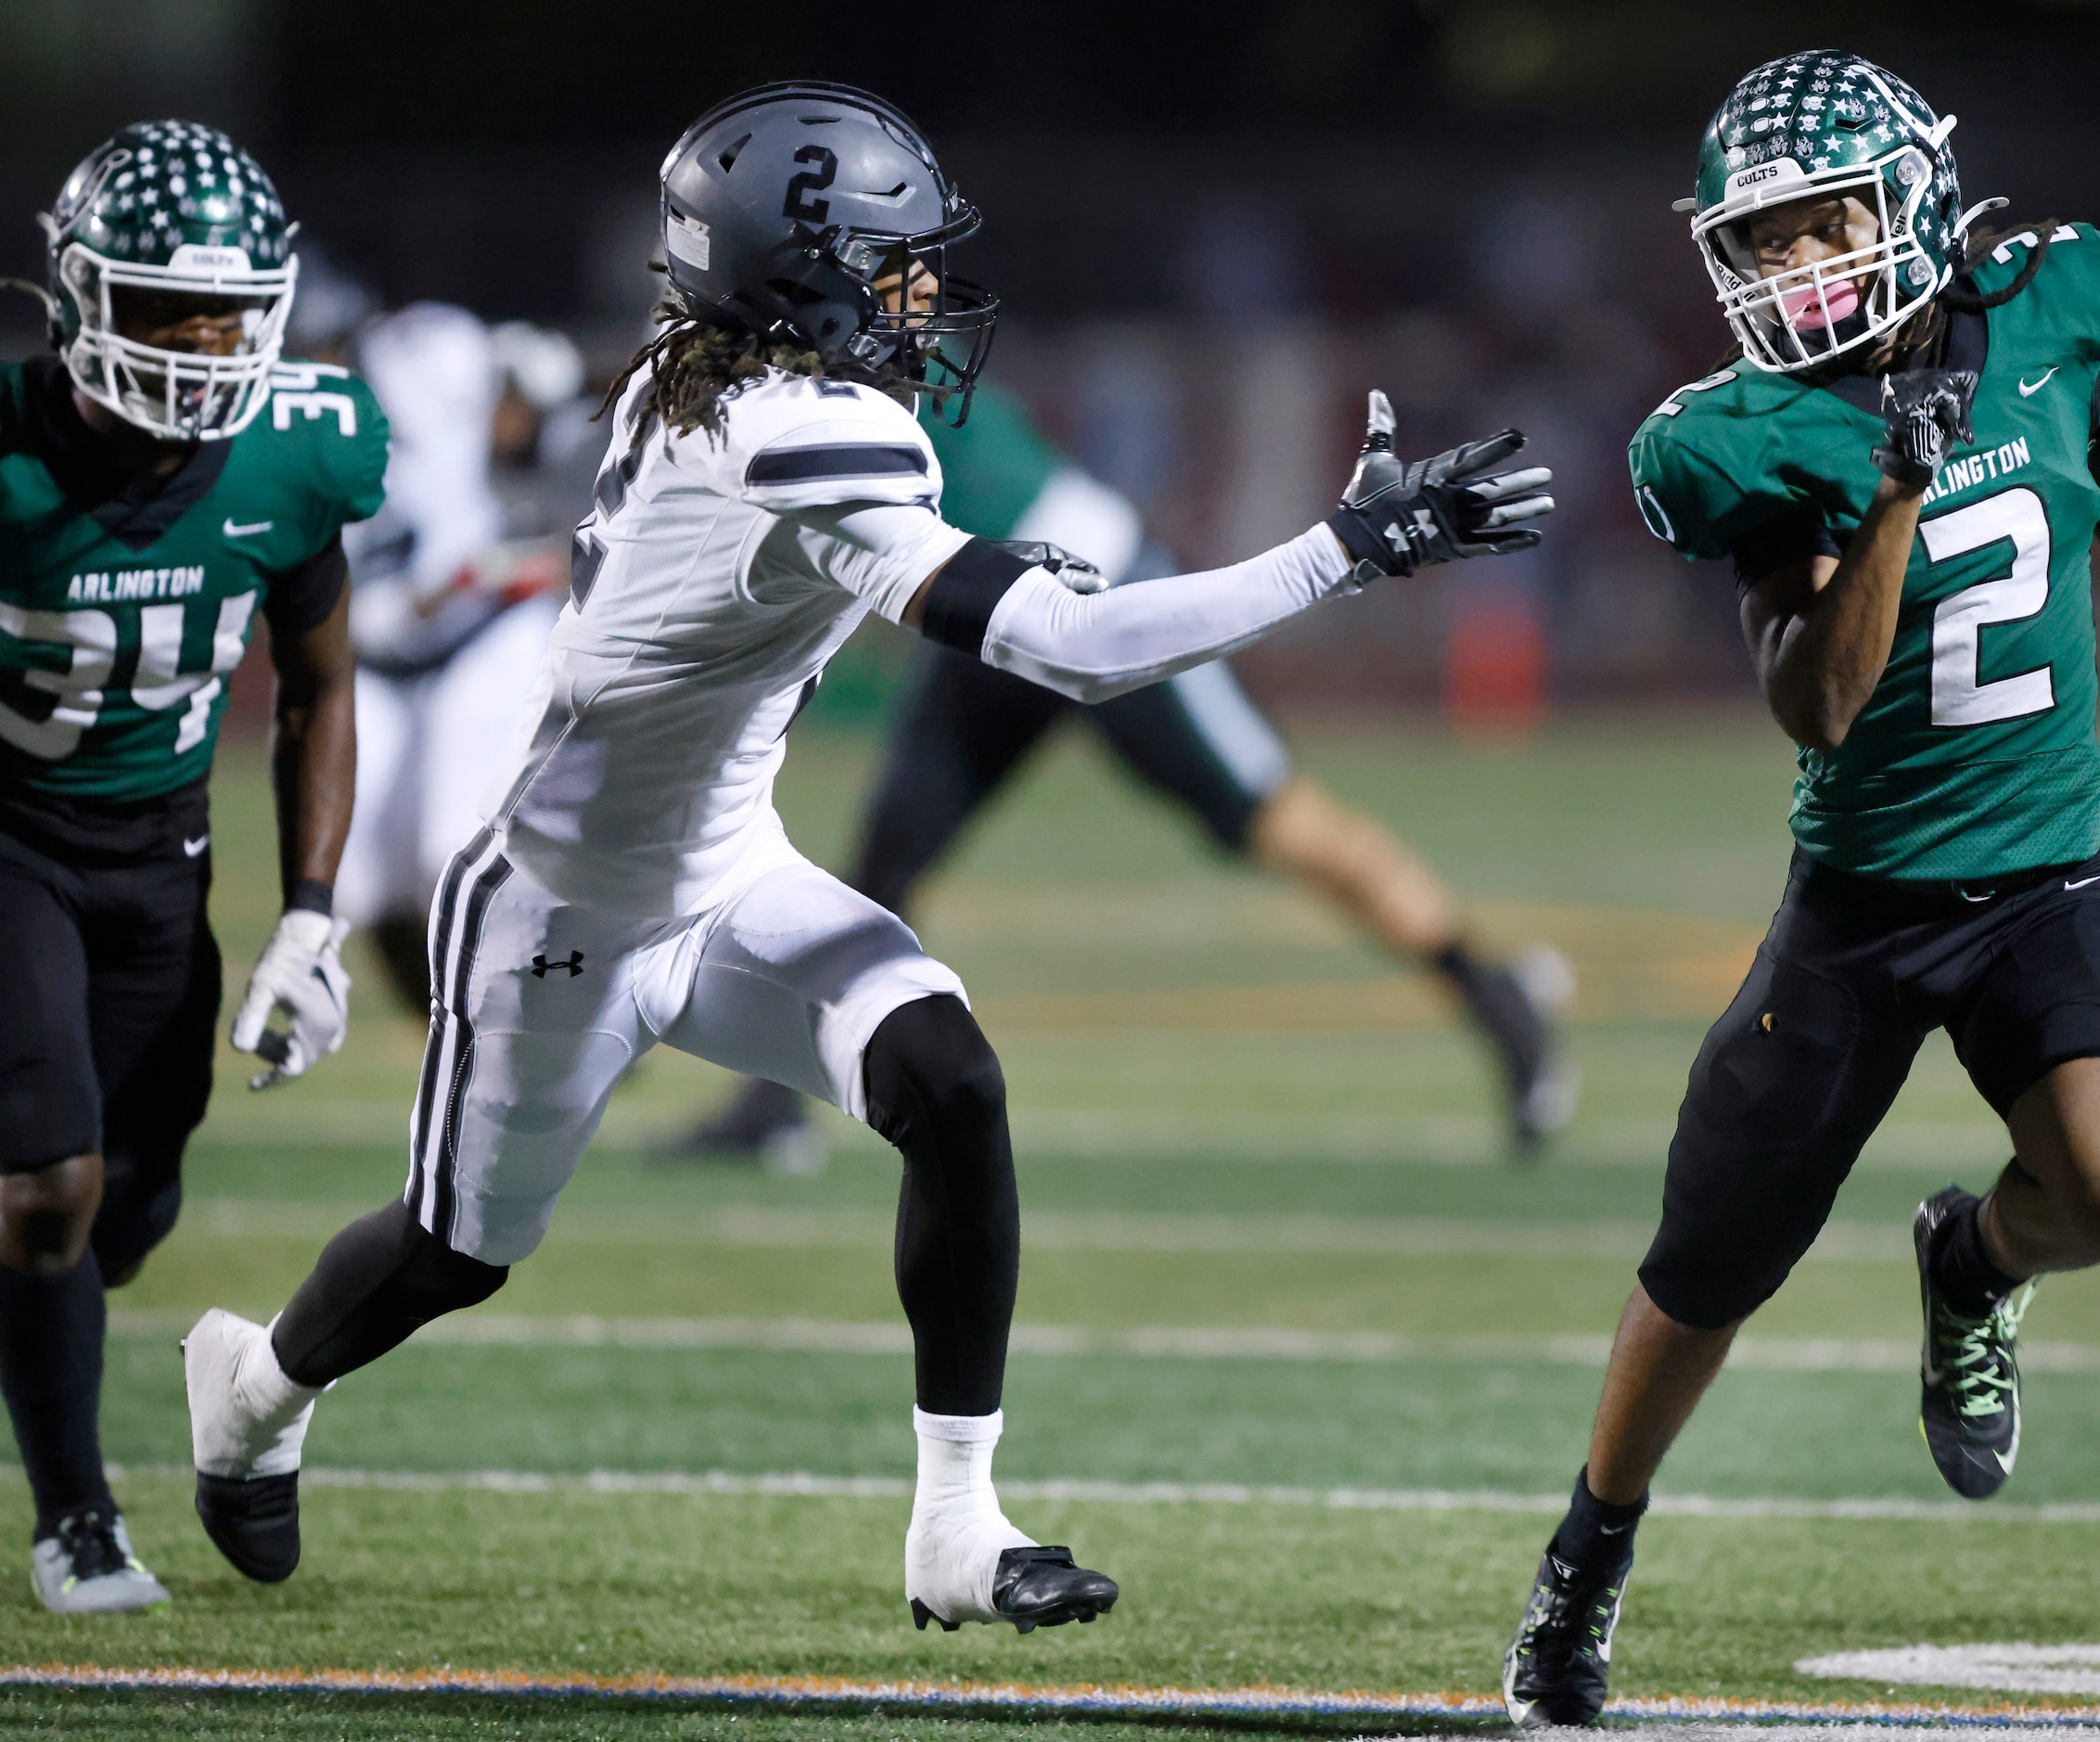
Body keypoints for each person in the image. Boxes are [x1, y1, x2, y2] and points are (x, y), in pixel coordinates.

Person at [181, 81, 1554, 1635]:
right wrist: (1342, 551)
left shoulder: (701, 385)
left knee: (949, 1080)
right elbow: (1073, 652)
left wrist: (986, 561)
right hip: (557, 909)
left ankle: (955, 1529)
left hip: (726, 870)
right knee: (452, 1251)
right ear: (799, 272)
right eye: (894, 262)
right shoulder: (795, 423)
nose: (922, 294)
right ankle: (251, 1383)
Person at [1498, 51, 2100, 1726]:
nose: (1794, 272)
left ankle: (1970, 1262)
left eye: (1821, 228)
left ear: (1915, 204)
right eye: (1766, 244)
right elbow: (1813, 698)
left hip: (2040, 872)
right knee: (1707, 1265)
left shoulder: (2057, 295)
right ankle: (1586, 1551)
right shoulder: (1744, 435)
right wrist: (1891, 484)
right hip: (1860, 908)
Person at [670, 381, 1574, 1176]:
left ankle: (1493, 997)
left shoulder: (842, 384)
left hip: (1100, 596)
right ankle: (773, 1106)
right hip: (985, 626)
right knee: (883, 862)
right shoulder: (803, 392)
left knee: (1280, 821)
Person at [0, 121, 378, 1612]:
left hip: (165, 861)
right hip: (13, 842)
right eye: (165, 307)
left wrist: (308, 916)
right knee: (49, 1185)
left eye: (226, 311)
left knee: (127, 1216)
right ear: (80, 298)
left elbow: (324, 680)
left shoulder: (295, 449)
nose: (201, 345)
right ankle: (76, 1518)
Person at [331, 300, 587, 1003]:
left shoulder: (435, 353)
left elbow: (536, 389)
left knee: (458, 850)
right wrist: (442, 587)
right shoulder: (332, 465)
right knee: (360, 883)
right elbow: (375, 627)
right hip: (397, 664)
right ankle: (445, 1026)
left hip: (485, 639)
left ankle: (558, 1005)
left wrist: (488, 569)